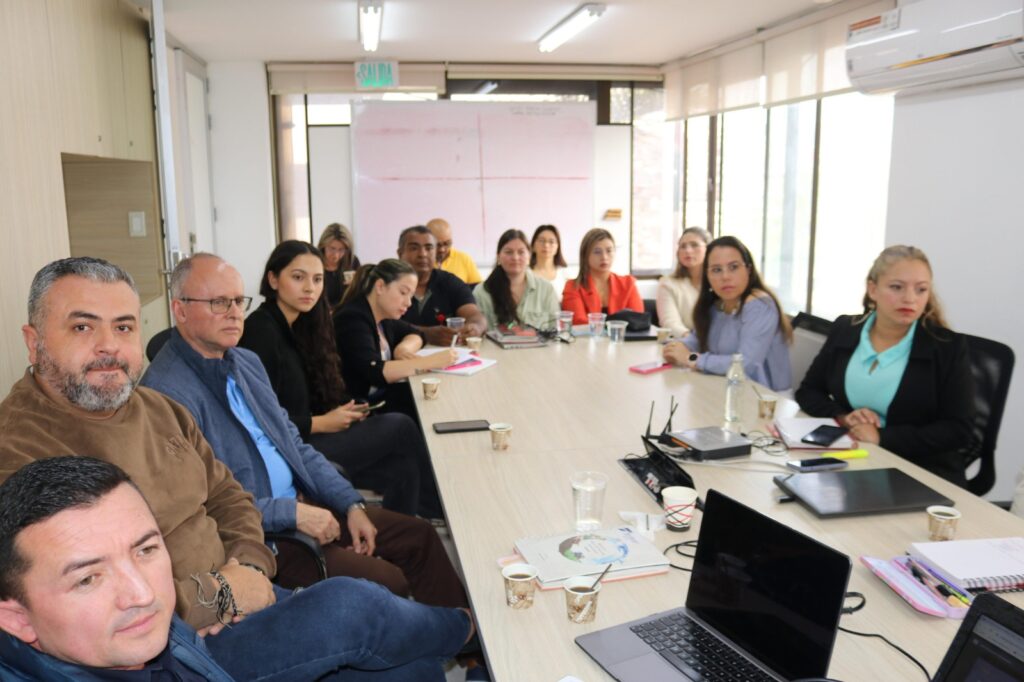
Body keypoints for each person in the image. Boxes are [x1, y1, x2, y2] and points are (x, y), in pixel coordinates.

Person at [0, 256, 473, 681]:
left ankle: (463, 642)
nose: (109, 346)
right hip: (177, 644)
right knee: (353, 605)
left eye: (123, 327)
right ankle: (472, 632)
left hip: (242, 589)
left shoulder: (156, 407)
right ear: (34, 340)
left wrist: (248, 566)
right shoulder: (21, 452)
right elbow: (92, 603)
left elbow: (229, 496)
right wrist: (221, 595)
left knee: (411, 665)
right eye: (83, 328)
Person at [143, 253, 466, 608]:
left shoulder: (244, 362)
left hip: (305, 504)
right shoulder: (165, 396)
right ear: (180, 309)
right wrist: (293, 514)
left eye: (238, 300)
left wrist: (350, 503)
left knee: (418, 536)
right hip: (268, 538)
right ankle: (439, 641)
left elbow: (294, 445)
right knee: (391, 583)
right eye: (219, 302)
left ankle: (467, 648)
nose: (235, 312)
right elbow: (204, 508)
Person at [238, 240, 441, 520]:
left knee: (402, 467)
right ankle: (441, 509)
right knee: (401, 425)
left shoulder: (301, 325)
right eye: (298, 277)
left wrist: (339, 413)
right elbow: (257, 417)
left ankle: (402, 536)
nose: (310, 287)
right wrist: (322, 422)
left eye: (317, 279)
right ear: (273, 279)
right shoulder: (261, 331)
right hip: (290, 451)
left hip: (309, 434)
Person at [0, 456, 234, 680]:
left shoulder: (141, 629)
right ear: (19, 620)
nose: (143, 594)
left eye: (146, 550)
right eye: (88, 579)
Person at [795, 245, 975, 485]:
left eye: (921, 290)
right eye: (896, 287)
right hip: (854, 458)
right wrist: (844, 417)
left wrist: (882, 437)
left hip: (920, 471)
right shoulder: (846, 330)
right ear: (872, 289)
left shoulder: (947, 347)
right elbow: (808, 391)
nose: (910, 298)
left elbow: (959, 430)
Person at [662, 236, 793, 391]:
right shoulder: (717, 304)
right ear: (708, 276)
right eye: (716, 270)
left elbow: (745, 365)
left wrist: (689, 358)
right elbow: (697, 338)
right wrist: (678, 347)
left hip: (765, 400)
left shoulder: (760, 305)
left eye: (734, 267)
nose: (725, 277)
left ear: (749, 270)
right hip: (726, 387)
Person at [335, 259, 459, 420]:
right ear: (380, 286)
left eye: (410, 296)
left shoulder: (383, 317)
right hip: (357, 411)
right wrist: (430, 362)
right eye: (403, 292)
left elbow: (416, 334)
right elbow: (375, 371)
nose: (408, 303)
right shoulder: (353, 318)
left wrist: (403, 349)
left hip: (378, 400)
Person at [397, 225, 488, 345]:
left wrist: (475, 327)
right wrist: (425, 333)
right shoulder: (388, 284)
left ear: (435, 254)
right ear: (400, 253)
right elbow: (384, 323)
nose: (423, 254)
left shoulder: (450, 282)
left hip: (447, 358)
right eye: (414, 248)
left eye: (429, 248)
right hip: (399, 358)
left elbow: (475, 315)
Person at [475, 228, 559, 329]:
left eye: (521, 252)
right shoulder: (482, 292)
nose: (515, 257)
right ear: (498, 257)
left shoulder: (546, 289)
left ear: (529, 256)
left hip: (540, 345)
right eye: (508, 252)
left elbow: (556, 331)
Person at [561, 228, 643, 325]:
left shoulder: (628, 283)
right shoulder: (573, 286)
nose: (604, 257)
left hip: (623, 339)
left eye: (609, 251)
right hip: (586, 340)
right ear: (585, 255)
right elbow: (579, 323)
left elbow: (637, 320)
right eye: (597, 252)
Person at [656, 227, 711, 336]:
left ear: (709, 249)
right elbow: (670, 323)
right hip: (687, 344)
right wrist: (693, 341)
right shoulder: (668, 283)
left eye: (694, 245)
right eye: (683, 246)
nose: (688, 250)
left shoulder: (718, 281)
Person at [317, 222, 361, 309]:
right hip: (320, 314)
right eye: (332, 248)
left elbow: (360, 294)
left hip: (346, 313)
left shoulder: (352, 261)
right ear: (323, 246)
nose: (336, 255)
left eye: (341, 250)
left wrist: (355, 285)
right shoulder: (315, 262)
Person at [427, 217, 482, 285]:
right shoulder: (421, 260)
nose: (442, 249)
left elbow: (477, 288)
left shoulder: (464, 258)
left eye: (447, 243)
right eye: (437, 245)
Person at [530, 224, 569, 303]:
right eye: (541, 241)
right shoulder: (526, 273)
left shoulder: (565, 274)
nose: (546, 245)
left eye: (551, 242)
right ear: (533, 245)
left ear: (558, 247)